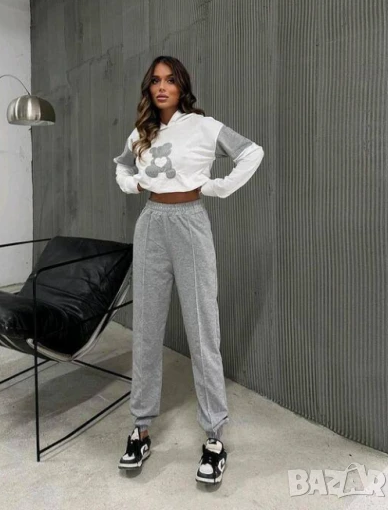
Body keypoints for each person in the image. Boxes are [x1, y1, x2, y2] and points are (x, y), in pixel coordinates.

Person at [113, 56, 264, 484]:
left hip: (190, 222)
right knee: (146, 327)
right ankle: (141, 429)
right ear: (149, 88)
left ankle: (214, 438)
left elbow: (251, 152)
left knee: (203, 329)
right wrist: (133, 182)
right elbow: (122, 166)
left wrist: (217, 187)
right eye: (155, 81)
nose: (162, 87)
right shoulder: (142, 132)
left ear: (182, 86)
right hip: (151, 224)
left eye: (170, 80)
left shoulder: (203, 126)